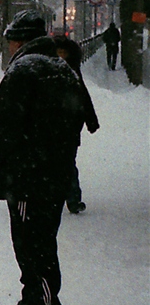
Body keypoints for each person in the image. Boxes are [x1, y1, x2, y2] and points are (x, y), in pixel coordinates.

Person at [0, 10, 85, 305]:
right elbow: (75, 120)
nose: (10, 47)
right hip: (55, 174)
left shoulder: (23, 71)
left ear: (20, 41)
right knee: (43, 239)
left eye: (11, 41)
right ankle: (37, 302)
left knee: (31, 245)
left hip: (27, 177)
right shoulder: (61, 69)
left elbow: (7, 127)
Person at [53, 35, 100, 214]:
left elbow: (83, 96)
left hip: (69, 125)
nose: (61, 56)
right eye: (58, 52)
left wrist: (90, 119)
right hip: (53, 125)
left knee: (67, 162)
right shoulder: (51, 71)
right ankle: (62, 197)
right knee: (60, 162)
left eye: (63, 52)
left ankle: (72, 199)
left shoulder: (72, 72)